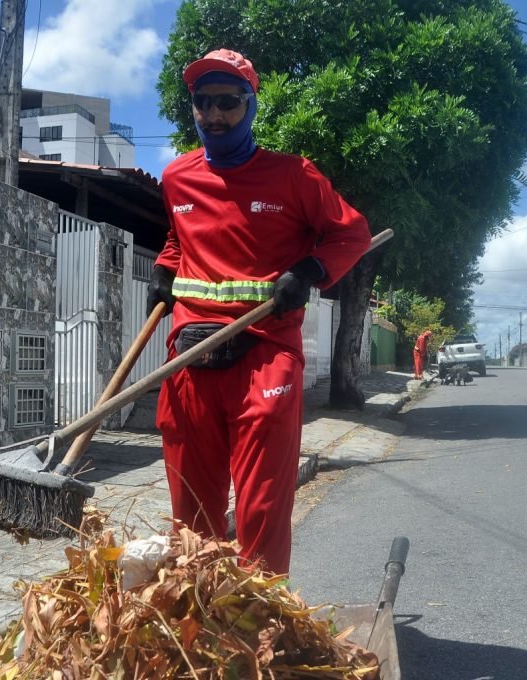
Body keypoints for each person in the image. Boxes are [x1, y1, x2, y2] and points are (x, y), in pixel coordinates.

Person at [146, 48, 371, 575]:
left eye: (228, 102)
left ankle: (261, 611)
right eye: (203, 102)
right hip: (191, 352)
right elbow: (179, 237)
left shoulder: (294, 176)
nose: (214, 114)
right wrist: (164, 268)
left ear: (250, 105)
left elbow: (352, 233)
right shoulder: (177, 177)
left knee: (261, 507)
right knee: (190, 512)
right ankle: (197, 606)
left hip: (265, 351)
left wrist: (309, 271)